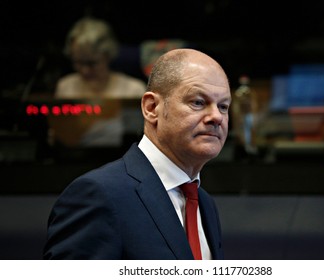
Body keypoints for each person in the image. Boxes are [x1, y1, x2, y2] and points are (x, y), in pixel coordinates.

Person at [43, 48, 231, 259]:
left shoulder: (204, 203)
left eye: (223, 106)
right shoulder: (99, 195)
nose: (216, 116)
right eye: (198, 102)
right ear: (152, 108)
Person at [55, 16, 146, 99]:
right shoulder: (65, 87)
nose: (85, 70)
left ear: (108, 56)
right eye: (78, 62)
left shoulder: (133, 90)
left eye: (92, 63)